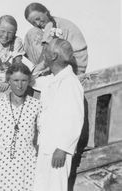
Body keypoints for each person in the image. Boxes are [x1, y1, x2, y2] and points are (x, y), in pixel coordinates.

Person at [34, 38, 84, 191]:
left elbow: (75, 118)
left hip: (58, 150)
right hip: (46, 146)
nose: (44, 55)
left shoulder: (70, 82)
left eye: (46, 52)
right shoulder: (53, 79)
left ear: (54, 56)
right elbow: (31, 80)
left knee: (56, 187)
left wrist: (63, 148)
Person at [0, 62, 41, 191]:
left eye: (24, 80)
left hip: (26, 165)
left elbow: (42, 135)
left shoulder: (36, 105)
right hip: (0, 164)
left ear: (29, 81)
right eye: (15, 80)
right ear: (8, 81)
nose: (19, 85)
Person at [24, 2, 88, 75]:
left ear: (45, 12)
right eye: (34, 23)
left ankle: (38, 74)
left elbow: (46, 53)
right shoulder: (57, 21)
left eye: (38, 19)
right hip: (76, 63)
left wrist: (35, 71)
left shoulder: (51, 25)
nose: (37, 23)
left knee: (32, 33)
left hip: (75, 67)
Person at [0, 15, 33, 98]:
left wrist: (7, 81)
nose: (5, 35)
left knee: (13, 90)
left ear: (15, 32)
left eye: (10, 33)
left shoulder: (17, 42)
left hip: (9, 75)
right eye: (2, 31)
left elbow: (17, 65)